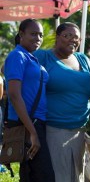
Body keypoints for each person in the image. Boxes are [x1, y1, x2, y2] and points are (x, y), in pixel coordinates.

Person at [34, 22, 90, 182]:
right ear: (57, 37)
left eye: (76, 38)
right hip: (54, 131)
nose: (72, 40)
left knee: (78, 178)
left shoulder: (83, 59)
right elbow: (10, 69)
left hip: (80, 132)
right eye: (67, 36)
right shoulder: (44, 56)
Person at [4, 18, 55, 181]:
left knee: (33, 176)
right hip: (27, 124)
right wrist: (32, 132)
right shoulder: (17, 55)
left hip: (37, 122)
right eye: (33, 34)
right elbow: (13, 94)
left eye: (40, 35)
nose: (38, 38)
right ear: (21, 34)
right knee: (43, 176)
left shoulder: (30, 57)